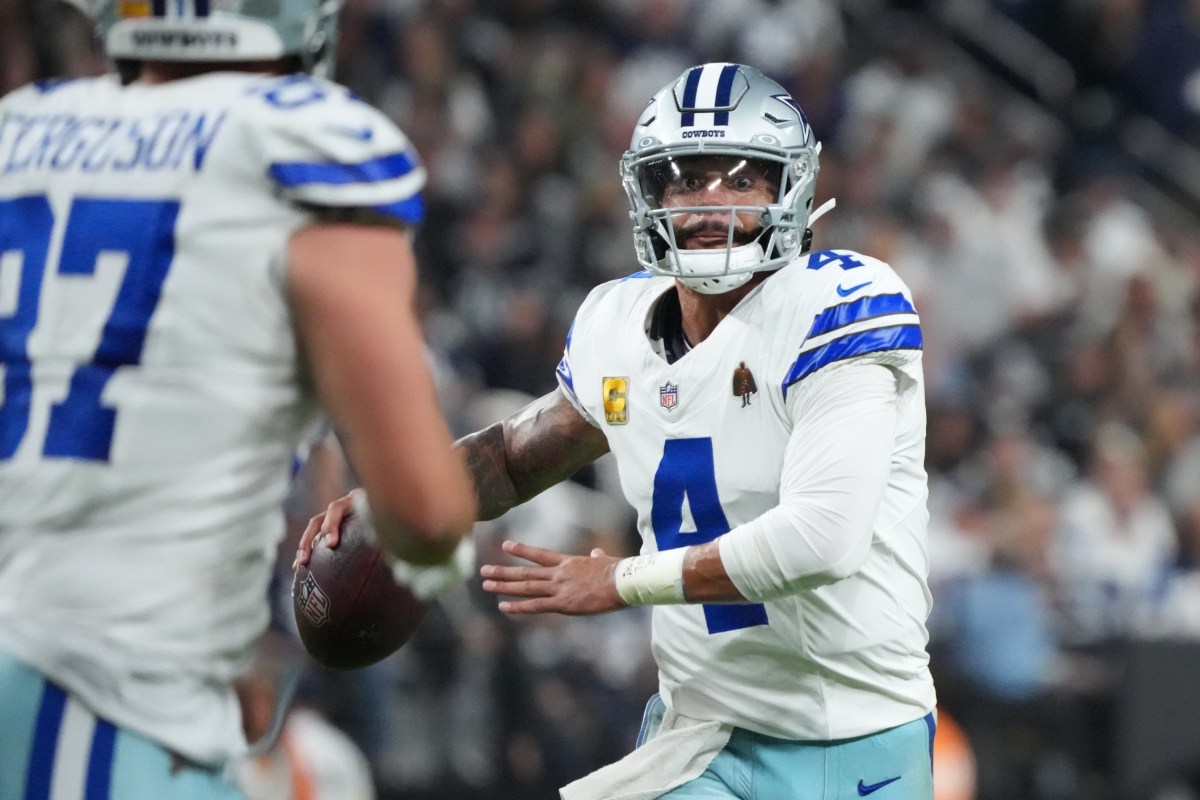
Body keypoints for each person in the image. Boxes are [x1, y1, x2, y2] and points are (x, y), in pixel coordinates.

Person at [300, 62, 936, 800]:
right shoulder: (618, 326)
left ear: (788, 190)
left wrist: (621, 581)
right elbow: (511, 459)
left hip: (850, 737)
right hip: (701, 737)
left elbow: (823, 538)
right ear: (650, 192)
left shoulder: (841, 305)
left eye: (742, 180)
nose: (711, 203)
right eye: (688, 178)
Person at [0, 1, 477, 798]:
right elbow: (425, 512)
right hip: (99, 693)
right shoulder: (306, 143)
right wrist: (435, 555)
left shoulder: (20, 128)